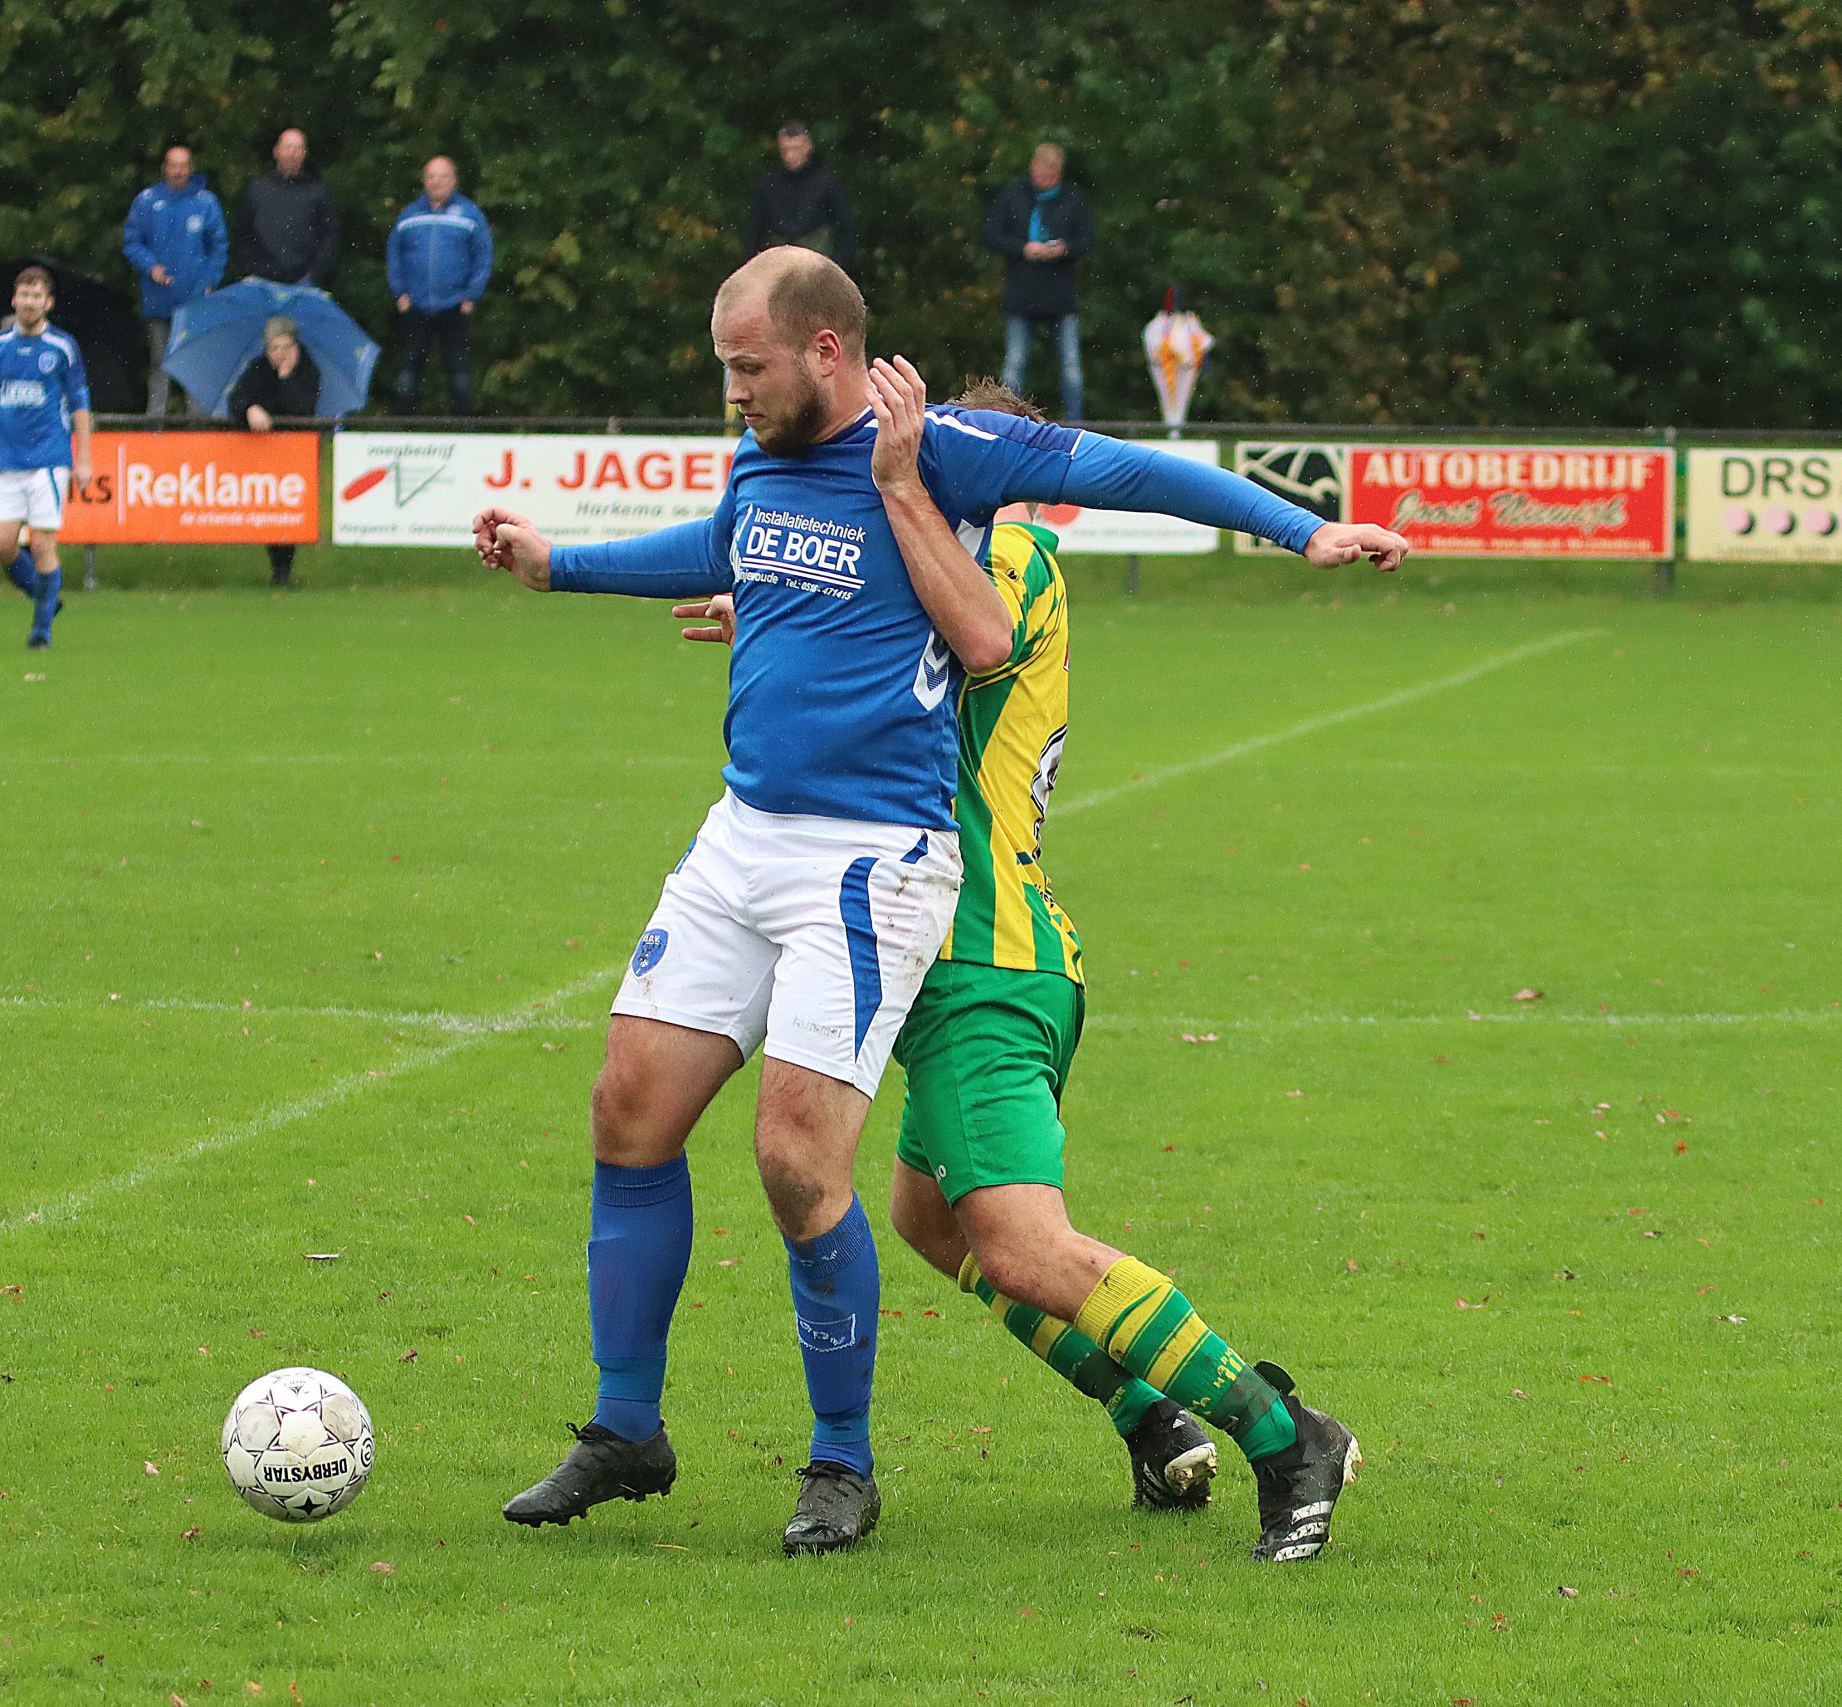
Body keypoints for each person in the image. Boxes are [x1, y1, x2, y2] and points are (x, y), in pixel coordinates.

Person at [472, 247, 1405, 1556]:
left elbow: (1078, 529)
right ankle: (633, 1426)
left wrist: (1301, 528)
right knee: (663, 1119)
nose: (732, 389)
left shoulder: (961, 482)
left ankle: (883, 1460)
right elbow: (744, 543)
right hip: (748, 834)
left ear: (829, 352)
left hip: (909, 885)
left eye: (748, 366)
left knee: (854, 1182)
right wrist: (567, 567)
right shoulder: (764, 455)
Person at [670, 379, 1363, 1561]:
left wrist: (842, 579)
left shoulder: (1016, 553)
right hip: (953, 955)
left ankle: (1284, 1434)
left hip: (980, 962)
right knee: (930, 1223)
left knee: (1025, 1246)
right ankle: (1151, 1417)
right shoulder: (964, 557)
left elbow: (954, 624)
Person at [0, 266, 93, 649]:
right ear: (14, 299)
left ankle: (41, 632)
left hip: (48, 462)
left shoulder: (62, 348)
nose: (29, 302)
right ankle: (45, 597)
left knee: (41, 546)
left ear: (48, 303)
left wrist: (84, 459)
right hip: (8, 462)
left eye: (36, 296)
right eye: (24, 294)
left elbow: (80, 405)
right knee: (1, 545)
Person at [982, 143, 1094, 420]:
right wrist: (1023, 249)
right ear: (1033, 168)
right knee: (1014, 364)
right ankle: (1006, 421)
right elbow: (992, 235)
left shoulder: (1073, 199)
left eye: (1052, 175)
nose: (1046, 179)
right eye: (1042, 173)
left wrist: (1064, 249)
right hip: (1022, 294)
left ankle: (1076, 423)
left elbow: (1088, 240)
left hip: (1061, 296)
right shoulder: (1013, 196)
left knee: (1071, 366)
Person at [122, 144, 229, 416]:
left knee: (195, 362)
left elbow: (218, 247)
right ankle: (154, 423)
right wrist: (150, 266)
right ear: (165, 168)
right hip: (158, 298)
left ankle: (198, 425)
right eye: (173, 165)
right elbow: (132, 242)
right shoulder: (147, 201)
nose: (178, 171)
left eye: (183, 166)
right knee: (159, 362)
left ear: (190, 168)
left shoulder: (205, 202)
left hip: (195, 298)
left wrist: (210, 281)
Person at [385, 155, 492, 415]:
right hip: (415, 306)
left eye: (443, 176)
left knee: (459, 377)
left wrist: (472, 295)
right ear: (424, 181)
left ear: (454, 180)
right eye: (431, 176)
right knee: (408, 373)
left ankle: (461, 431)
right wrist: (399, 292)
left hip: (455, 306)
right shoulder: (409, 215)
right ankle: (401, 431)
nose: (437, 182)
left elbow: (484, 255)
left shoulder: (470, 214)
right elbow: (394, 254)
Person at [229, 316, 318, 588]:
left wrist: (286, 378)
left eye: (284, 347)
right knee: (269, 511)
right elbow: (236, 399)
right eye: (273, 348)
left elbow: (302, 409)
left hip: (294, 452)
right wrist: (250, 408)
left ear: (295, 347)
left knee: (288, 513)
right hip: (263, 452)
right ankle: (277, 570)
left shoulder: (309, 371)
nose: (278, 354)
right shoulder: (257, 368)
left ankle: (283, 572)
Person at [744, 120, 856, 268]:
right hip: (777, 267)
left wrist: (835, 268)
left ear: (808, 146)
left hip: (817, 267)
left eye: (795, 149)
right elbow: (754, 231)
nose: (790, 156)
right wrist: (752, 268)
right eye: (785, 150)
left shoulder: (827, 183)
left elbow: (846, 230)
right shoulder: (769, 184)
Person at [236, 129, 340, 288]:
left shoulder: (318, 192)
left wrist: (314, 273)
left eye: (298, 148)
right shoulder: (256, 189)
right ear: (276, 151)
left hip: (304, 284)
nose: (292, 154)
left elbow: (330, 236)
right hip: (260, 283)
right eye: (288, 147)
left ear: (304, 154)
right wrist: (249, 270)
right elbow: (241, 233)